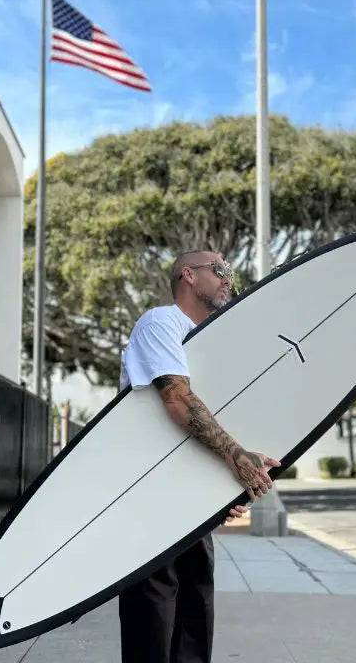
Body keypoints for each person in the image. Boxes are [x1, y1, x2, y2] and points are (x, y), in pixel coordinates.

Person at [118, 249, 280, 663]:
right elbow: (177, 400)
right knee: (154, 614)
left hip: (188, 498)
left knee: (195, 611)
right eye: (219, 270)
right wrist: (235, 457)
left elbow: (210, 417)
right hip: (150, 497)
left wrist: (218, 484)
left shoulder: (214, 342)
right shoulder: (161, 322)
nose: (228, 277)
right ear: (188, 275)